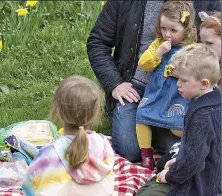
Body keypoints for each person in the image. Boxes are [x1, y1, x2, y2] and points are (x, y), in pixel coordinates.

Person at [87, 0, 221, 163]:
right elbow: (97, 42)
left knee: (181, 149)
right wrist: (114, 84)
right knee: (130, 150)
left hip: (180, 93)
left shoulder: (208, 3)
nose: (167, 33)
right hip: (135, 89)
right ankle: (151, 123)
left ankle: (157, 127)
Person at [21, 76, 118, 196]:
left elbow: (31, 195)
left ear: (58, 110)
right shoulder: (104, 145)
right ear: (95, 114)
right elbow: (108, 185)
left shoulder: (49, 154)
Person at [126, 43, 221, 196]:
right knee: (160, 168)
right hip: (209, 171)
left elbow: (194, 162)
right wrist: (176, 162)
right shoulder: (213, 99)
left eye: (184, 80)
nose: (178, 85)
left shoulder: (201, 116)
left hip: (203, 181)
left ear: (203, 83)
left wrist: (171, 176)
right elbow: (199, 149)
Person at [157, 11, 221, 173]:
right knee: (162, 163)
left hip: (214, 142)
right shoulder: (202, 66)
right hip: (199, 134)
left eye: (209, 43)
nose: (204, 48)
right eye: (202, 42)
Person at [135, 1, 196, 170]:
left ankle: (190, 147)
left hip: (177, 94)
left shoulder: (191, 48)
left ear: (186, 29)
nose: (167, 34)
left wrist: (182, 72)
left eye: (173, 30)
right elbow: (144, 64)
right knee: (142, 116)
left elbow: (196, 71)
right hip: (157, 92)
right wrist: (157, 53)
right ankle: (146, 154)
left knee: (179, 125)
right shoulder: (158, 43)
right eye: (163, 28)